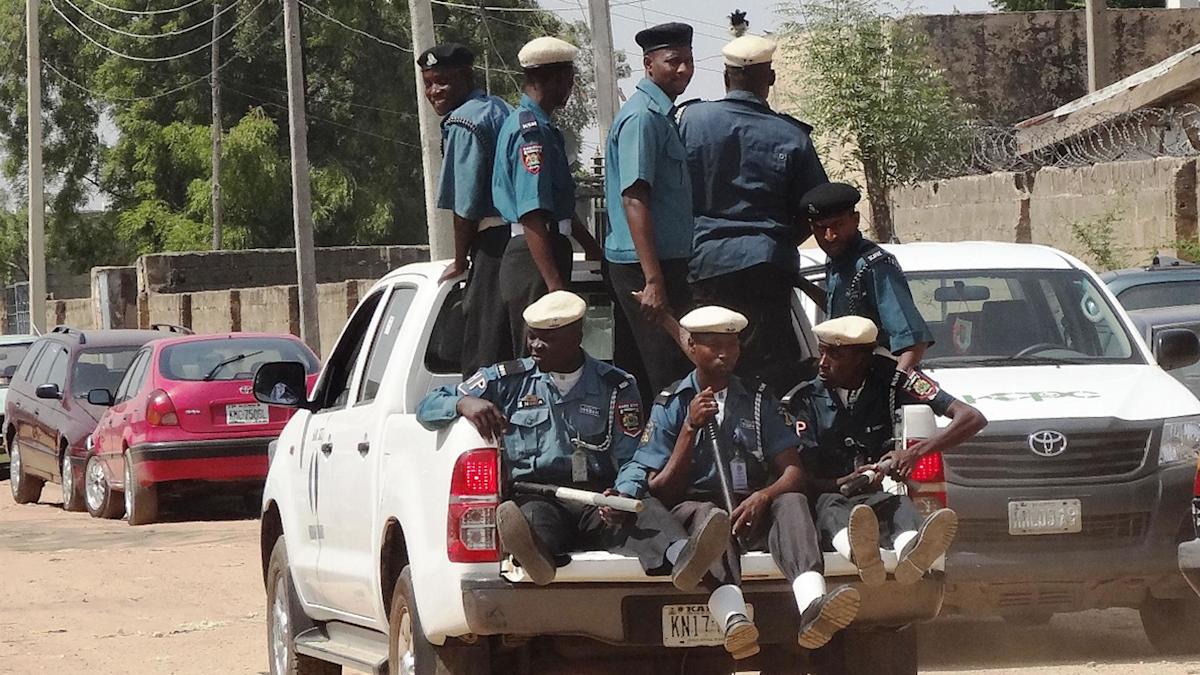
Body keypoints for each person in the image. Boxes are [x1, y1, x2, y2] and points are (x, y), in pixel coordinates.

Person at [417, 291, 728, 590]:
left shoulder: (616, 386)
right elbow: (427, 406)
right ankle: (535, 556)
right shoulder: (507, 381)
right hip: (538, 494)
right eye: (532, 336)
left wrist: (623, 492)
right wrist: (464, 404)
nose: (535, 346)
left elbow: (635, 456)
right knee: (533, 521)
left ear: (577, 336)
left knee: (645, 511)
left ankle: (683, 559)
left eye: (547, 338)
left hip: (599, 497)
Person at [615, 306, 861, 660]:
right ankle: (733, 620)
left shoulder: (760, 400)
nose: (724, 354)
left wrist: (764, 496)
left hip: (749, 505)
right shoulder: (670, 404)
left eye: (731, 345)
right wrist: (689, 429)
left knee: (791, 500)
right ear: (692, 348)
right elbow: (662, 489)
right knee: (709, 517)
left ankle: (813, 606)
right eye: (713, 345)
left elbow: (793, 472)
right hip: (697, 507)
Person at [677, 34, 828, 395]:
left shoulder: (691, 120)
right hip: (767, 268)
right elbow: (818, 206)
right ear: (770, 79)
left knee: (709, 366)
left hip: (706, 264)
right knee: (768, 374)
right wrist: (774, 241)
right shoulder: (792, 135)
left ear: (726, 77)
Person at [786, 316, 987, 586]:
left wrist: (914, 453)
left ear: (862, 358)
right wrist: (840, 483)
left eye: (834, 354)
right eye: (822, 352)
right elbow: (800, 476)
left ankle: (913, 555)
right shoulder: (806, 398)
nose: (822, 363)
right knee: (831, 508)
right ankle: (861, 556)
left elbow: (971, 418)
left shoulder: (895, 381)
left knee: (899, 505)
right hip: (829, 495)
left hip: (875, 494)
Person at [492, 37, 604, 355]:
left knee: (556, 357)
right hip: (534, 256)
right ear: (551, 79)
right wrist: (554, 285)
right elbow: (532, 214)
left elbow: (561, 208)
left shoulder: (541, 126)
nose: (571, 89)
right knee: (540, 356)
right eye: (568, 81)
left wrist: (593, 249)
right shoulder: (531, 133)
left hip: (546, 248)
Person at [604, 22, 696, 403]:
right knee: (669, 378)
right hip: (647, 269)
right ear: (648, 64)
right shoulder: (642, 118)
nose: (683, 70)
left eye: (688, 61)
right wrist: (654, 280)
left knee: (648, 378)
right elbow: (634, 198)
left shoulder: (661, 115)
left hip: (662, 265)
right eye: (673, 61)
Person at [418, 43, 515, 377]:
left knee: (483, 356)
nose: (434, 91)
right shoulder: (500, 107)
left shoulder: (463, 122)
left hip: (493, 244)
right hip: (522, 238)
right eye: (428, 82)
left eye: (442, 81)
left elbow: (466, 207)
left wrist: (460, 261)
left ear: (465, 77)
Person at [801, 182, 935, 374]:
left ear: (855, 220)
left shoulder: (873, 266)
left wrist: (892, 385)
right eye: (821, 229)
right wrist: (799, 283)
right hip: (845, 377)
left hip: (876, 375)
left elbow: (913, 342)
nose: (830, 236)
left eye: (838, 225)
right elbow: (844, 312)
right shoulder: (836, 260)